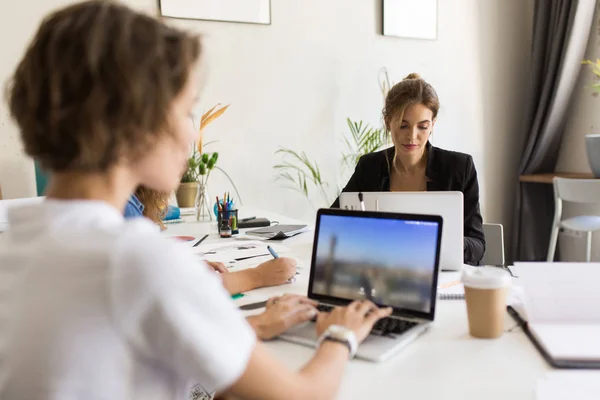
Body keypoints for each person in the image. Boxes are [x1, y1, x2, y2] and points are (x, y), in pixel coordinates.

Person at [0, 2, 392, 399]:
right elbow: (305, 395)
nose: (192, 136)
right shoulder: (134, 258)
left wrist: (241, 334)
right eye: (186, 111)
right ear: (134, 120)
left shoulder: (18, 245)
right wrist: (342, 333)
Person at [332, 73, 485, 265]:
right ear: (388, 122)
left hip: (441, 276)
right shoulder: (369, 166)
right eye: (403, 125)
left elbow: (478, 246)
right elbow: (334, 224)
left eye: (422, 126)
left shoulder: (459, 167)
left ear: (433, 125)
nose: (412, 136)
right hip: (381, 271)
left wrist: (451, 244)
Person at [126, 187, 297, 294]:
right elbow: (175, 291)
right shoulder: (127, 213)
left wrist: (180, 267)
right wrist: (258, 276)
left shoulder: (130, 204)